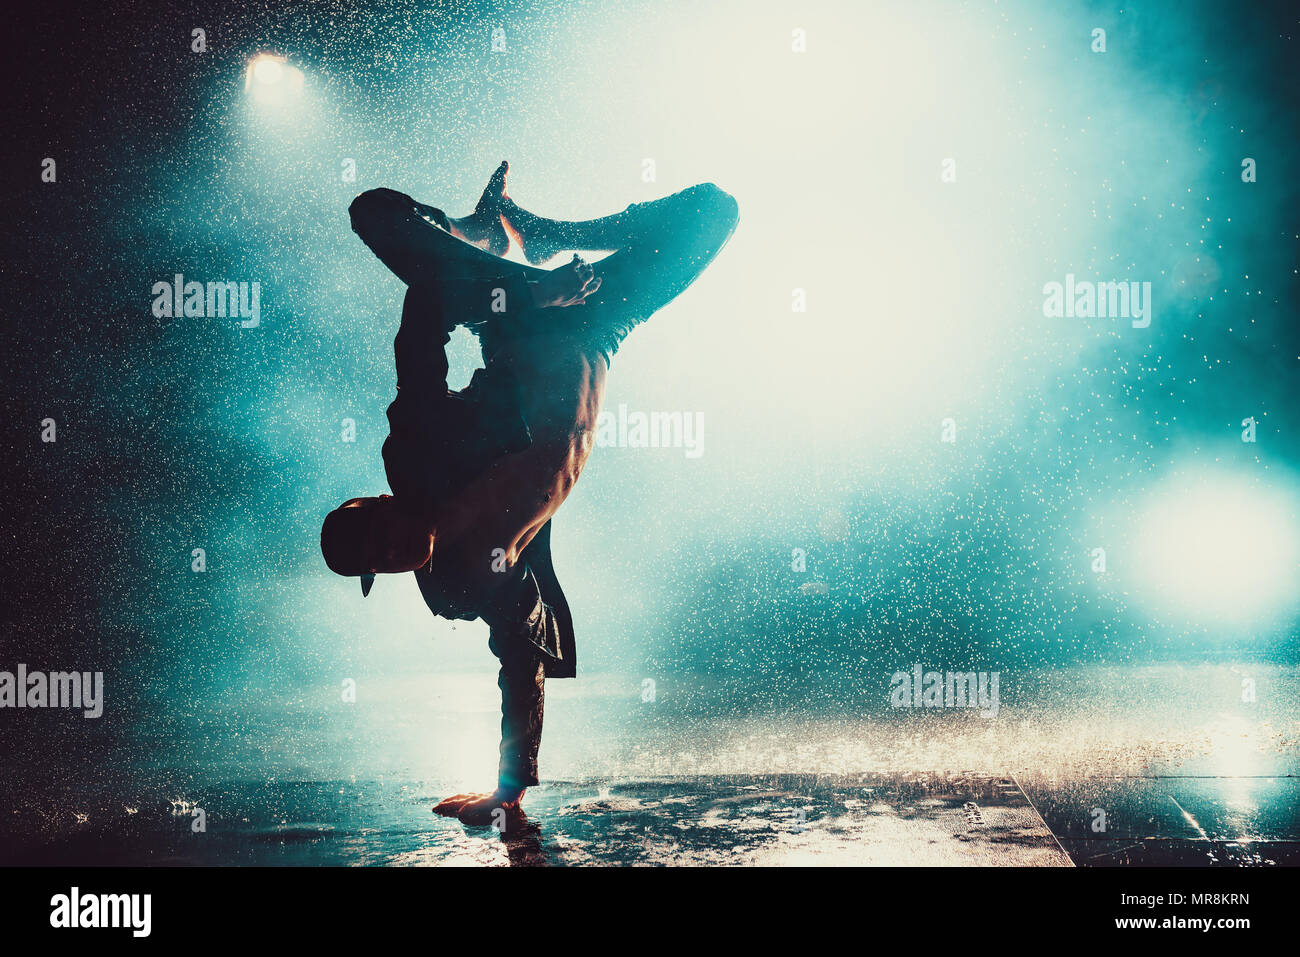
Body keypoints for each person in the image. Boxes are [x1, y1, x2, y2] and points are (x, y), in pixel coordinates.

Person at [335, 161, 738, 826]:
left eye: (379, 533)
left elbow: (422, 321)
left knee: (373, 215)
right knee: (715, 211)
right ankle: (532, 234)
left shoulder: (415, 450)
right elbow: (519, 657)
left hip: (525, 323)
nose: (394, 548)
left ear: (380, 502)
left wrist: (529, 298)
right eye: (382, 561)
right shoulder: (460, 579)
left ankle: (515, 245)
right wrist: (509, 785)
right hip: (599, 328)